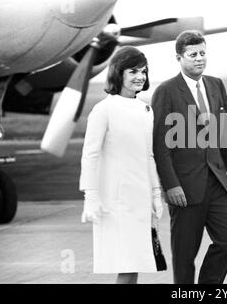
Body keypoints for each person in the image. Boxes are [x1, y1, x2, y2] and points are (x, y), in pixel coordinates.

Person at [151, 30, 227, 284]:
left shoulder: (216, 84)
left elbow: (225, 135)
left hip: (217, 182)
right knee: (184, 255)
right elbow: (160, 145)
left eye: (203, 53)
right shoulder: (166, 91)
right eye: (193, 55)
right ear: (179, 58)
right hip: (184, 187)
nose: (199, 59)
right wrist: (170, 185)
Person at [79, 46, 165, 284]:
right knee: (126, 265)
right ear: (118, 73)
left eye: (143, 71)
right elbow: (90, 155)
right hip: (115, 202)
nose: (140, 77)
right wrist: (91, 196)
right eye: (133, 71)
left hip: (140, 199)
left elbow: (149, 155)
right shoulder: (104, 109)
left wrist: (156, 193)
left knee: (135, 263)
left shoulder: (145, 108)